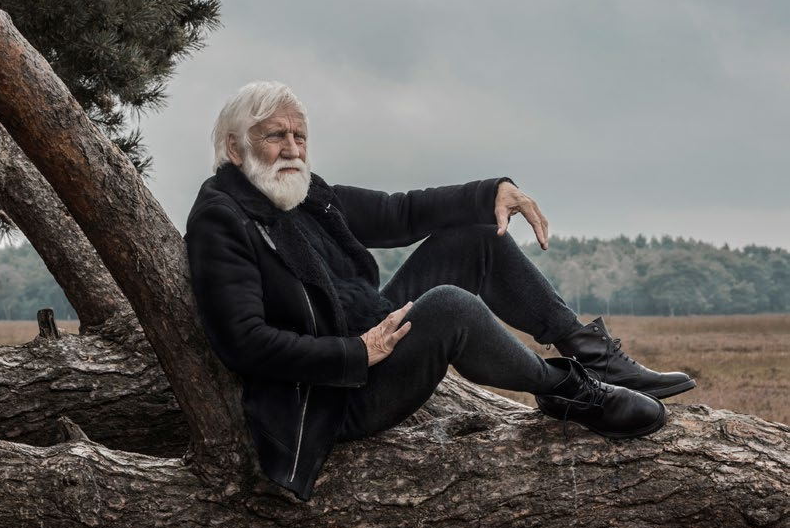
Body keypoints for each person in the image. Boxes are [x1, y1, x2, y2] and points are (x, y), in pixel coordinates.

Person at [186, 82, 695, 501]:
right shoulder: (222, 218)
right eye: (277, 136)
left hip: (371, 338)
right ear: (235, 148)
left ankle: (591, 353)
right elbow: (242, 342)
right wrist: (356, 353)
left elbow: (400, 212)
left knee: (474, 240)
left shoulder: (304, 193)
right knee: (449, 306)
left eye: (299, 135)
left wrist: (491, 191)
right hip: (331, 395)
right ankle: (570, 393)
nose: (293, 149)